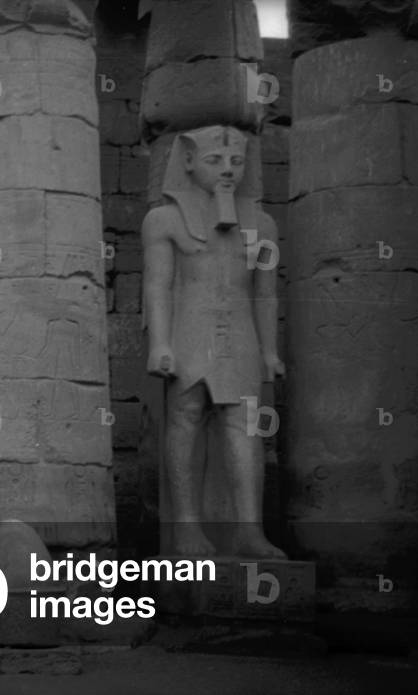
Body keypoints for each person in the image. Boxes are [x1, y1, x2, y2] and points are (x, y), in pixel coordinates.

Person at [142, 125, 286, 559]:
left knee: (245, 425)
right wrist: (160, 343)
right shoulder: (165, 220)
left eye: (236, 161)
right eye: (215, 160)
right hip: (189, 328)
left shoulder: (262, 224)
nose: (227, 170)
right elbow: (159, 285)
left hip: (238, 329)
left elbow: (265, 291)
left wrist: (269, 349)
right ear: (187, 161)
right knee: (185, 415)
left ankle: (248, 530)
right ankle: (186, 530)